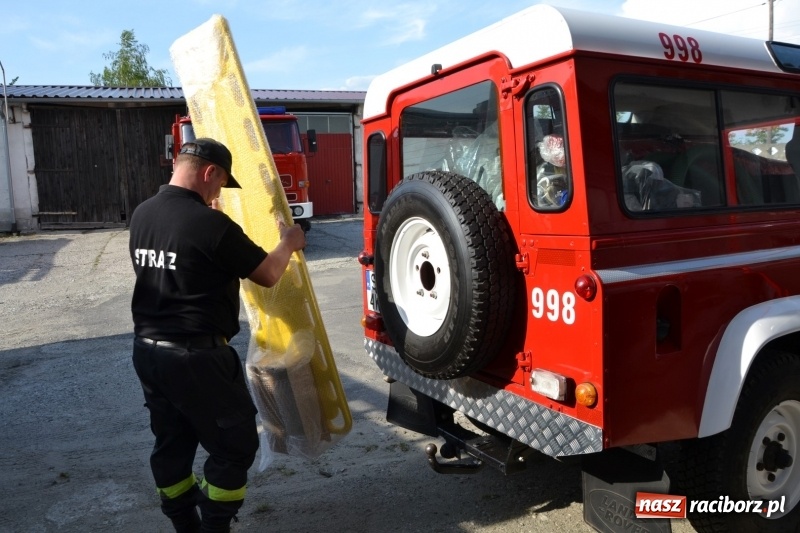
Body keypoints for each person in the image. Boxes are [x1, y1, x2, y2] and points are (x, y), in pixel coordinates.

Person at [129, 137, 306, 533]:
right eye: (220, 184)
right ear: (209, 172)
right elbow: (268, 274)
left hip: (148, 352)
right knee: (235, 446)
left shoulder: (143, 214)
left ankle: (184, 524)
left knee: (172, 442)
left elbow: (179, 265)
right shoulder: (211, 225)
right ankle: (214, 526)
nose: (218, 194)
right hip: (197, 358)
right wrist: (289, 242)